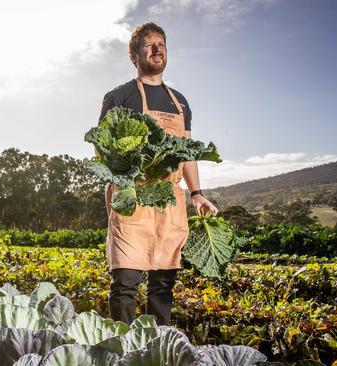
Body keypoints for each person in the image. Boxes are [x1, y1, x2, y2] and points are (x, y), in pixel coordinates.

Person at [99, 22, 218, 326]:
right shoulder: (118, 97)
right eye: (149, 45)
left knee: (163, 284)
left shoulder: (180, 102)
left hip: (169, 200)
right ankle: (122, 347)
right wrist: (127, 171)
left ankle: (157, 347)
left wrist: (197, 193)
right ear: (134, 55)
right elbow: (102, 148)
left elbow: (187, 152)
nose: (157, 50)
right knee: (125, 280)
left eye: (162, 44)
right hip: (133, 197)